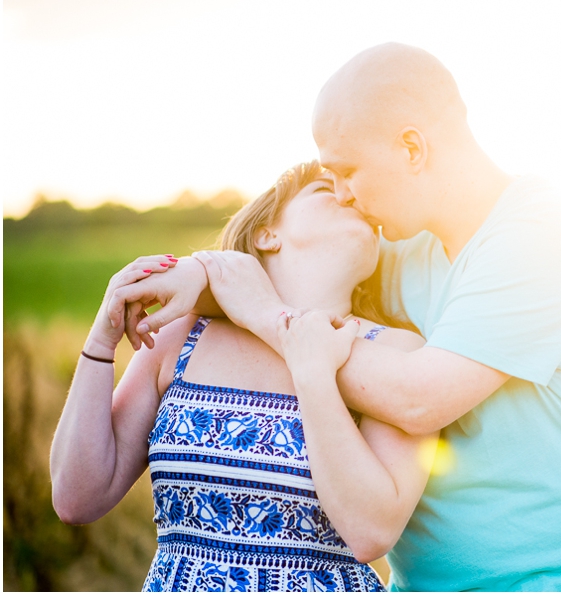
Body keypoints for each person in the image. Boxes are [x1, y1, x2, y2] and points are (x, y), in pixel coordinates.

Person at [112, 43, 561, 591]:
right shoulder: (402, 251)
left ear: (412, 149)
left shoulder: (548, 233)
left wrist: (275, 321)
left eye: (347, 172)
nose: (342, 195)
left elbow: (421, 397)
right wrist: (201, 273)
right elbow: (288, 279)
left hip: (557, 582)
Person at [50, 160, 437, 592]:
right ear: (266, 233)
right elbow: (76, 498)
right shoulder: (182, 335)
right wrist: (101, 343)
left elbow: (372, 533)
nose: (351, 197)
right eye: (326, 190)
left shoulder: (395, 351)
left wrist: (311, 371)